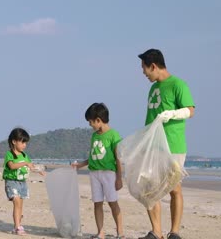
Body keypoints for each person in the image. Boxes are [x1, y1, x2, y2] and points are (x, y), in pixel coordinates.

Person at [137, 49, 195, 239]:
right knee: (148, 189)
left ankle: (175, 232)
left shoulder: (178, 84)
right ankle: (156, 232)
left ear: (153, 66)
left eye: (144, 68)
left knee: (174, 189)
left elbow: (190, 110)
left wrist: (172, 114)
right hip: (154, 146)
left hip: (173, 145)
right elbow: (149, 118)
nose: (143, 73)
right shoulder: (153, 89)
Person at [72, 103, 124, 239]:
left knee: (113, 203)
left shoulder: (114, 135)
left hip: (109, 174)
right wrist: (80, 165)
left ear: (98, 120)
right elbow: (92, 157)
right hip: (94, 174)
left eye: (90, 122)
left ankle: (120, 233)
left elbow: (119, 158)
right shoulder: (94, 136)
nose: (90, 125)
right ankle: (100, 232)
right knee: (97, 203)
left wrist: (119, 178)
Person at [2, 127, 45, 235]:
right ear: (14, 141)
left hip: (22, 184)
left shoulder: (25, 156)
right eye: (22, 142)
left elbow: (31, 166)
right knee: (16, 202)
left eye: (26, 142)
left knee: (20, 205)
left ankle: (18, 225)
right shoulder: (10, 154)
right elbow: (12, 166)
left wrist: (39, 170)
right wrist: (25, 163)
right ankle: (17, 227)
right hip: (12, 182)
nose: (24, 145)